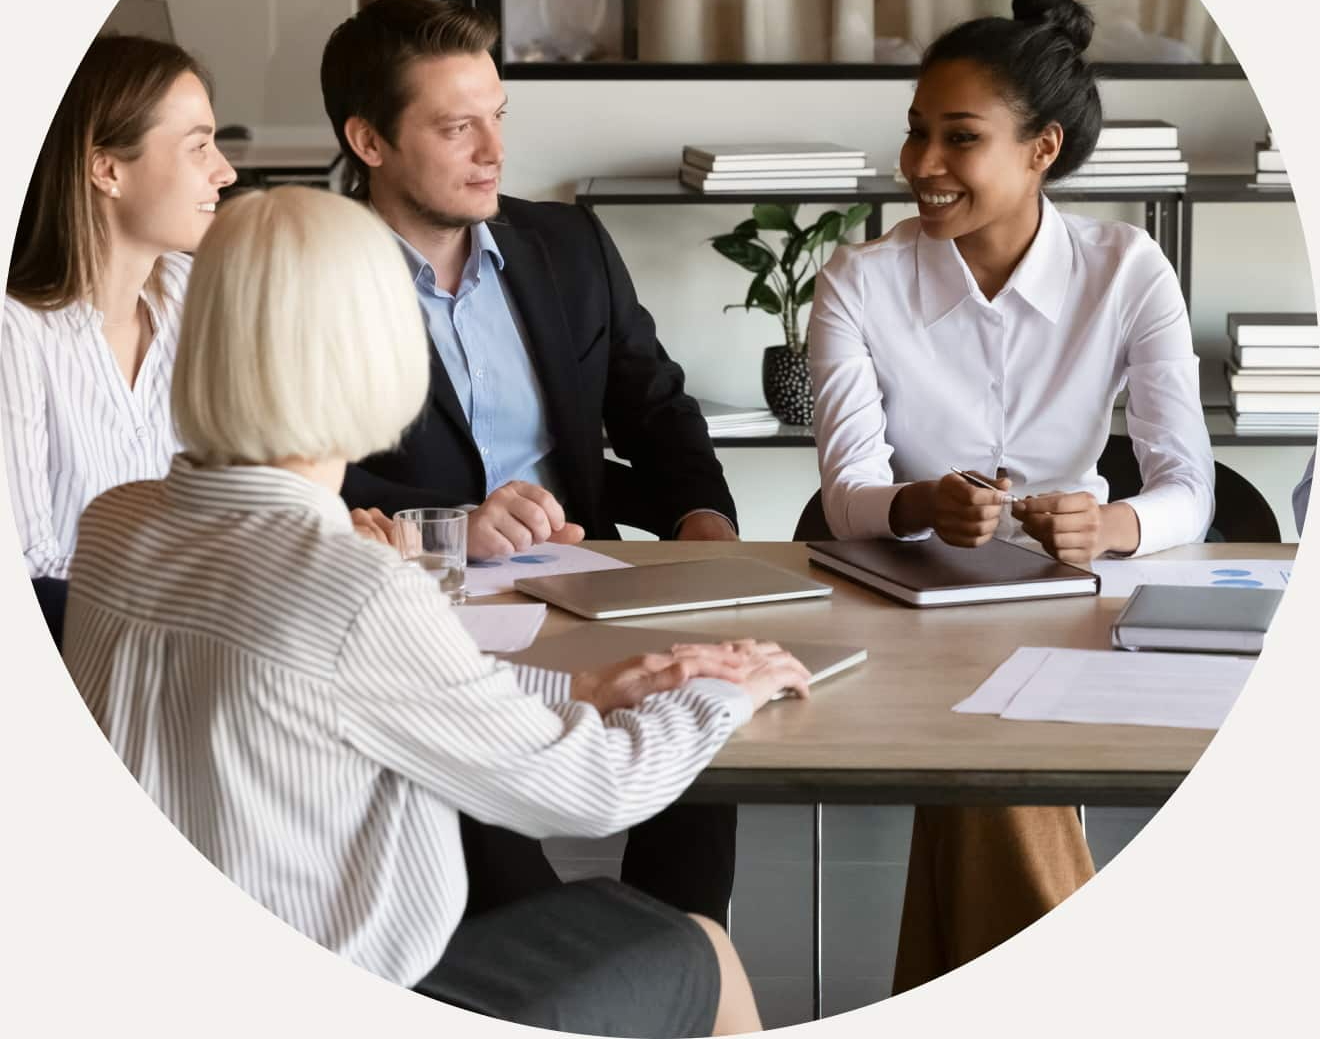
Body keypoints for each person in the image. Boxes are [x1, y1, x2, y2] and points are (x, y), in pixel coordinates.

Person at [63, 187, 810, 1036]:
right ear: (376, 349)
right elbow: (594, 790)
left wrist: (584, 691)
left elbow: (357, 689)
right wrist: (728, 689)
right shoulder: (357, 587)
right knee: (696, 946)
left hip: (164, 989)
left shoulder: (116, 522)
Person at [808, 0, 1215, 989]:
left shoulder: (1128, 270)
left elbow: (1188, 490)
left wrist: (1111, 524)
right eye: (915, 136)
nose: (923, 168)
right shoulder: (856, 284)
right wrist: (919, 505)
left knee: (990, 764)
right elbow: (848, 496)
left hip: (1076, 605)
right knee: (992, 758)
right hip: (907, 610)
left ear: (1043, 151)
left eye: (959, 139)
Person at [319, 0, 741, 924]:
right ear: (371, 140)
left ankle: (679, 959)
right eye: (456, 126)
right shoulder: (314, 275)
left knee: (704, 712)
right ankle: (555, 971)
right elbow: (296, 470)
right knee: (476, 807)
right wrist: (448, 525)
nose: (493, 152)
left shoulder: (567, 245)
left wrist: (700, 522)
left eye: (497, 117)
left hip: (584, 581)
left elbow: (656, 407)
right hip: (419, 608)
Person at [2, 35, 236, 642]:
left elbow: (232, 499)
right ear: (107, 169)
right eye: (200, 147)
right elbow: (29, 575)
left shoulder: (191, 292)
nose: (225, 171)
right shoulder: (16, 331)